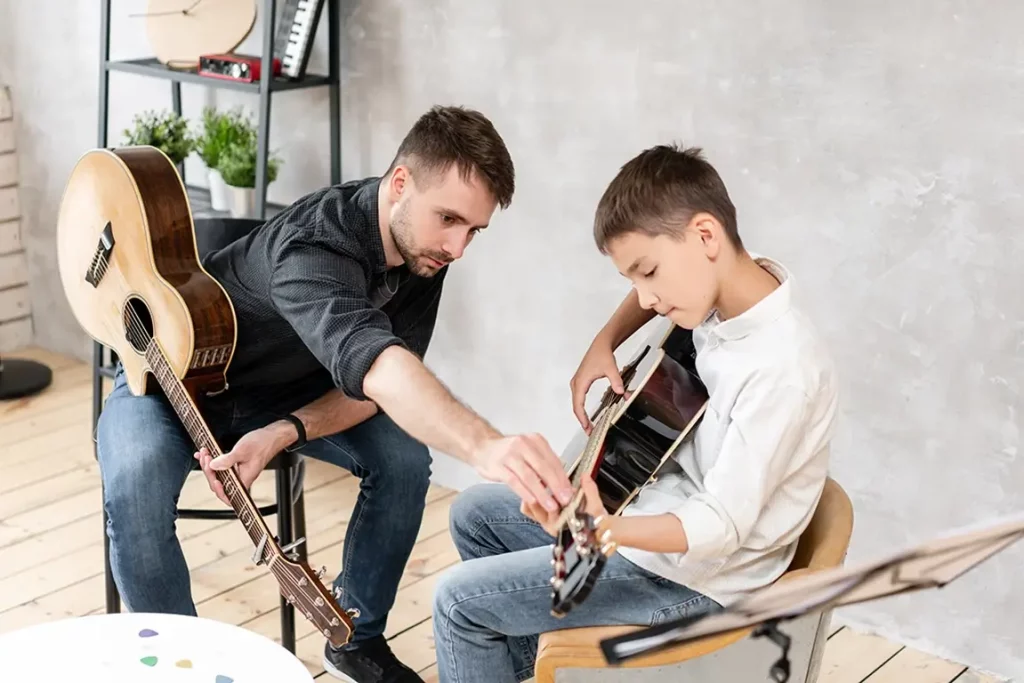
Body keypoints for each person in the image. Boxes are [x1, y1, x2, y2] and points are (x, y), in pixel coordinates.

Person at [95, 105, 573, 683]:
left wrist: (284, 431)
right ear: (400, 184)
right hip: (167, 377)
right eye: (449, 219)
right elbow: (375, 360)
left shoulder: (424, 253)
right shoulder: (313, 247)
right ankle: (179, 666)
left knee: (403, 459)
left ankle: (356, 639)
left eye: (473, 230)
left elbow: (378, 388)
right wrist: (485, 446)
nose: (458, 247)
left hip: (281, 396)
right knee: (134, 482)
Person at [431, 143, 840, 682]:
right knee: (476, 513)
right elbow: (651, 290)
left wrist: (603, 530)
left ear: (704, 236)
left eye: (648, 273)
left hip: (697, 584)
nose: (645, 299)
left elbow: (720, 528)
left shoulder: (779, 370)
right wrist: (605, 340)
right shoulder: (738, 282)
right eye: (633, 280)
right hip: (660, 522)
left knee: (459, 604)